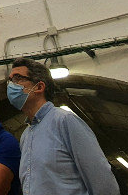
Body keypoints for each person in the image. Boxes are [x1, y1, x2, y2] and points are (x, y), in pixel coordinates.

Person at [7, 58, 118, 195]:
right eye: (10, 80)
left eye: (18, 78)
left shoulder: (65, 121)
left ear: (39, 87)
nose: (11, 85)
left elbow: (103, 182)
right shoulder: (26, 135)